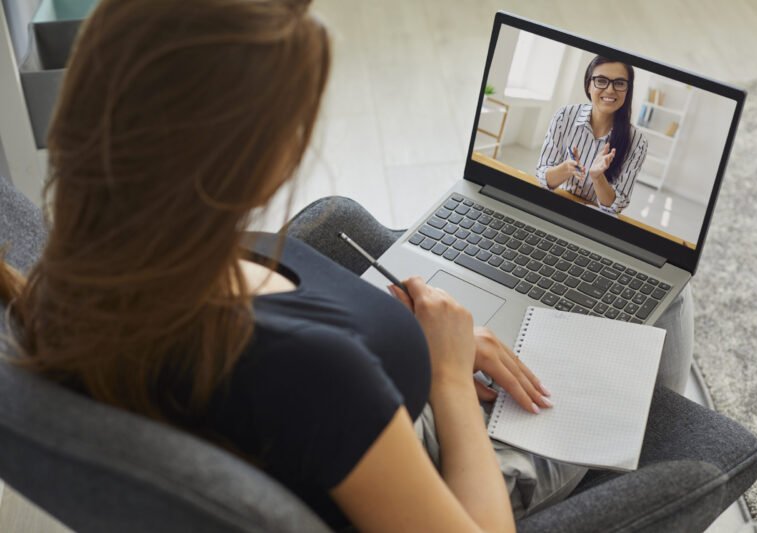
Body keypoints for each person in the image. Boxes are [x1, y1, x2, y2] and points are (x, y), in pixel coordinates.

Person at [0, 1, 692, 531]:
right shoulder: (311, 375)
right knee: (665, 309)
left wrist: (403, 338)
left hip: (389, 395)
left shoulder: (77, 274)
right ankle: (674, 430)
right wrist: (448, 375)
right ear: (249, 157)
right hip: (452, 462)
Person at [536, 56, 648, 215]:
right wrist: (566, 168)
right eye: (601, 80)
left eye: (619, 83)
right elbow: (543, 178)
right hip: (553, 208)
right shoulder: (564, 116)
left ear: (628, 90)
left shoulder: (638, 142)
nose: (610, 90)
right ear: (588, 85)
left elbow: (616, 205)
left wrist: (598, 177)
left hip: (594, 221)